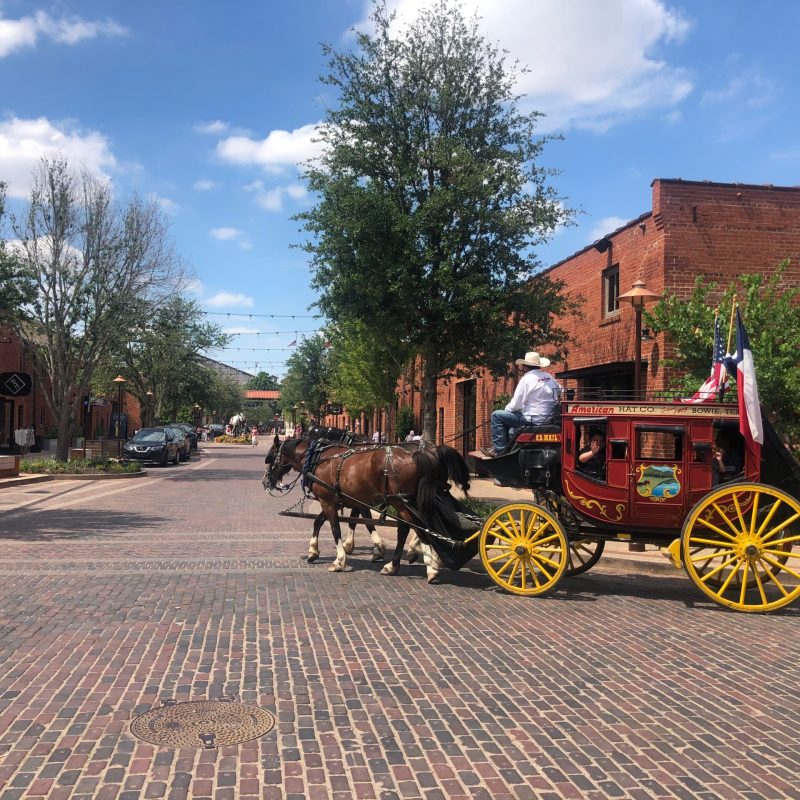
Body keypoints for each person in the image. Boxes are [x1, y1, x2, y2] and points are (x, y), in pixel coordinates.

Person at [482, 351, 562, 457]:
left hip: (531, 420)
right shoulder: (548, 377)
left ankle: (500, 452)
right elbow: (561, 390)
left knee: (496, 415)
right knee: (511, 430)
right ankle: (506, 448)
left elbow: (516, 404)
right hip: (548, 419)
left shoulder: (526, 379)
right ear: (538, 365)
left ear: (525, 366)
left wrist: (507, 411)